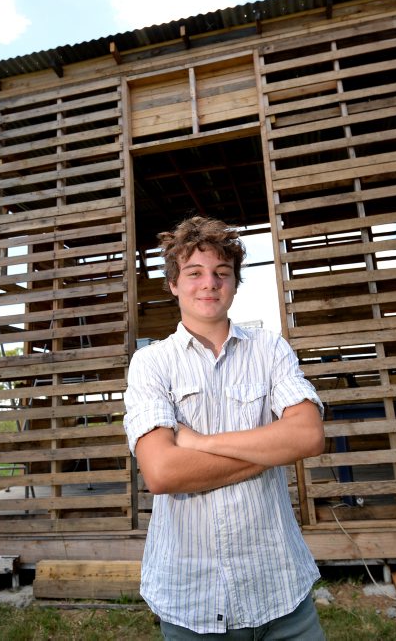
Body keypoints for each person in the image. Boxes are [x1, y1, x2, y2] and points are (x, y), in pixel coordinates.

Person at [123, 216, 326, 639]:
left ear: (234, 283)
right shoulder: (152, 363)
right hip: (191, 597)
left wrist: (200, 443)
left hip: (279, 587)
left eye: (222, 273)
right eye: (194, 273)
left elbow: (307, 435)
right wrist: (271, 449)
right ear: (174, 284)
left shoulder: (270, 349)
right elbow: (162, 472)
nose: (209, 283)